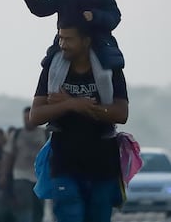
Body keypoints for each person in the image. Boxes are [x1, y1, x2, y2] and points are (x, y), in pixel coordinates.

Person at [29, 16, 129, 222]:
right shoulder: (53, 69)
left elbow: (121, 113)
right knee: (70, 214)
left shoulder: (109, 68)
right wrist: (71, 104)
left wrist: (80, 106)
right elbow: (36, 116)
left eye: (69, 39)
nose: (63, 45)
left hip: (102, 164)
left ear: (86, 41)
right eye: (60, 38)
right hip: (64, 162)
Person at [0, 107, 47, 222]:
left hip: (39, 178)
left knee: (39, 209)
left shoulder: (44, 134)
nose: (27, 121)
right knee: (24, 208)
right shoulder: (17, 134)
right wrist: (3, 175)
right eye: (25, 118)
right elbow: (8, 156)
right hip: (21, 175)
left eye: (29, 118)